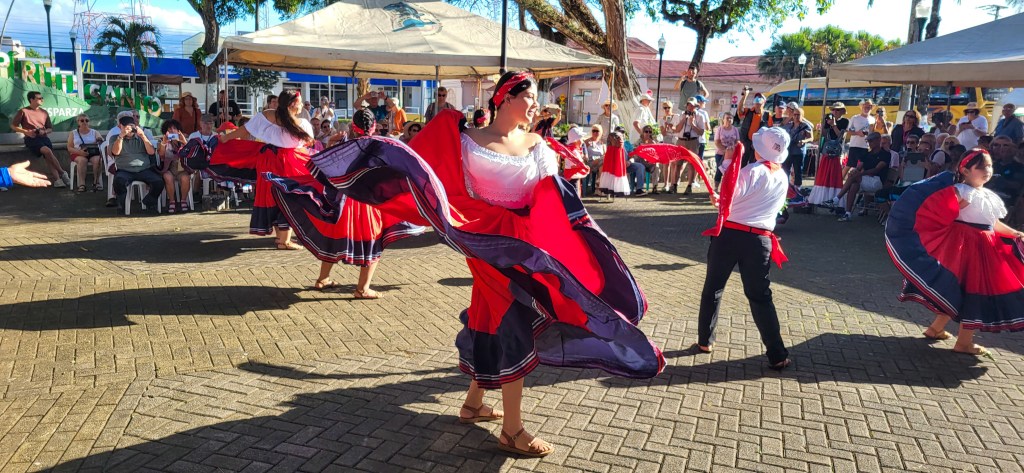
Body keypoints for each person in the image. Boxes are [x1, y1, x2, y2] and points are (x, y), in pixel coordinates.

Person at [284, 70, 664, 457]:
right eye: (529, 96)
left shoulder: (538, 144)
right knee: (514, 322)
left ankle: (472, 404)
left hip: (528, 248)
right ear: (505, 97)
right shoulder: (466, 140)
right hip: (486, 244)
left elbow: (552, 198)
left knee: (490, 317)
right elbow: (423, 168)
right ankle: (512, 430)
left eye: (536, 97)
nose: (536, 104)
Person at [267, 108, 425, 297]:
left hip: (345, 202)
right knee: (373, 241)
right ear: (373, 126)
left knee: (334, 238)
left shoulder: (346, 148)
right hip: (369, 203)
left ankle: (323, 279)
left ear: (353, 126)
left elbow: (322, 168)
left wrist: (330, 144)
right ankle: (362, 289)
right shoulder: (381, 146)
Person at [886, 149, 1024, 356]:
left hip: (984, 248)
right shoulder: (960, 192)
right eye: (981, 167)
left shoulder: (986, 195)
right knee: (973, 294)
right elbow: (938, 214)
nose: (987, 170)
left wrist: (1014, 233)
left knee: (959, 291)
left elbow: (992, 223)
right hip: (969, 251)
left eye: (989, 165)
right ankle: (964, 343)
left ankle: (935, 329)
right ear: (965, 170)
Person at [696, 126, 792, 370]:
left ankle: (705, 340)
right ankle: (777, 354)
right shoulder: (782, 176)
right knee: (760, 296)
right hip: (759, 240)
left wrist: (727, 165)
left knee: (713, 288)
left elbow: (728, 197)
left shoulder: (751, 171)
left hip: (730, 234)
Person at [208, 89, 314, 249]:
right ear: (293, 104)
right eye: (299, 103)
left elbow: (244, 130)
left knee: (272, 196)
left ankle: (280, 237)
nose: (301, 106)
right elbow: (309, 142)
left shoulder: (266, 115)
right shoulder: (302, 123)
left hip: (268, 160)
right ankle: (284, 241)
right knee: (289, 197)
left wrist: (225, 138)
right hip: (291, 162)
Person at [10, 91, 70, 188]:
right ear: (31, 99)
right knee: (47, 151)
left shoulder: (44, 112)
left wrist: (44, 131)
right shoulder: (23, 111)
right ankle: (62, 172)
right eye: (39, 98)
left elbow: (50, 128)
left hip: (44, 138)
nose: (42, 100)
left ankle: (58, 180)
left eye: (42, 98)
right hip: (31, 139)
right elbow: (13, 126)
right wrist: (26, 132)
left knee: (48, 156)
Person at [110, 115, 163, 213]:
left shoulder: (141, 137)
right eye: (126, 126)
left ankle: (149, 202)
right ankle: (121, 204)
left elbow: (151, 152)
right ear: (120, 127)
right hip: (125, 170)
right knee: (118, 182)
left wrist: (143, 136)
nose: (129, 129)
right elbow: (116, 152)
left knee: (158, 182)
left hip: (144, 169)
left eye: (131, 126)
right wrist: (121, 136)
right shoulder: (115, 138)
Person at [832, 132, 888, 221]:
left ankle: (837, 198)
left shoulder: (885, 154)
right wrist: (854, 171)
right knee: (854, 184)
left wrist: (859, 174)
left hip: (877, 181)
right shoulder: (867, 154)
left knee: (854, 177)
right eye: (868, 141)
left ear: (878, 140)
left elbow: (876, 170)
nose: (869, 143)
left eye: (871, 141)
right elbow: (859, 167)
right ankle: (848, 213)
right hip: (864, 179)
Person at [673, 97, 707, 194]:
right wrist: (683, 120)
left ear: (696, 106)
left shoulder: (700, 116)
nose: (690, 107)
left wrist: (692, 124)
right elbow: (677, 130)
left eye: (692, 105)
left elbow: (701, 132)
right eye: (689, 105)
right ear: (686, 105)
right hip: (681, 141)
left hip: (693, 141)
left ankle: (689, 186)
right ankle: (674, 185)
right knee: (678, 164)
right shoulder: (681, 115)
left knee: (692, 164)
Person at [157, 119, 191, 213]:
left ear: (178, 130)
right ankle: (172, 201)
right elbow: (161, 155)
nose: (172, 131)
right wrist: (164, 143)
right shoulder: (162, 141)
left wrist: (184, 141)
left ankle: (183, 200)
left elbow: (190, 154)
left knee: (185, 178)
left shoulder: (183, 140)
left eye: (174, 128)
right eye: (169, 129)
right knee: (167, 177)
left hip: (182, 168)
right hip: (168, 167)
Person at [67, 113, 104, 193]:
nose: (84, 122)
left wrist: (99, 139)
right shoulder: (73, 133)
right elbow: (69, 148)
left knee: (98, 160)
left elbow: (101, 140)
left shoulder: (94, 132)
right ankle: (82, 184)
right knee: (82, 160)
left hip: (92, 152)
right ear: (78, 122)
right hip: (78, 153)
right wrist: (79, 152)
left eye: (87, 120)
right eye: (82, 120)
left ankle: (96, 182)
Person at [736, 89, 770, 167]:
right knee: (742, 162)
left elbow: (771, 128)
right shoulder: (749, 111)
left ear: (764, 103)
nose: (758, 102)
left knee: (754, 163)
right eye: (756, 99)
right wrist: (745, 95)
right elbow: (739, 110)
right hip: (746, 141)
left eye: (760, 99)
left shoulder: (767, 115)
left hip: (758, 144)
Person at [782, 104, 813, 187]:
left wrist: (804, 141)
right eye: (795, 114)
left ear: (802, 115)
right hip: (789, 151)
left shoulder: (805, 126)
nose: (796, 116)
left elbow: (811, 138)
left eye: (798, 115)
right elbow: (781, 127)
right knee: (786, 170)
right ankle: (786, 187)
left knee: (798, 171)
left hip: (799, 152)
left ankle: (797, 188)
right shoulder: (789, 125)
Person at [846, 99, 876, 177]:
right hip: (854, 145)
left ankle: (857, 182)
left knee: (862, 167)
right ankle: (839, 181)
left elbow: (872, 133)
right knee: (849, 165)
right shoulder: (855, 118)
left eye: (868, 107)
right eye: (865, 107)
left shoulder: (873, 119)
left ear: (871, 108)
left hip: (866, 147)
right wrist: (857, 133)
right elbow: (848, 131)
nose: (866, 109)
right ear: (861, 107)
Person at [599, 130, 631, 197]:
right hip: (612, 154)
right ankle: (611, 190)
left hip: (617, 155)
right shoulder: (612, 145)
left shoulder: (623, 146)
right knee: (611, 171)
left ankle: (615, 189)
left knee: (616, 171)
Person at [658, 100, 682, 193]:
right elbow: (663, 133)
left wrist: (672, 127)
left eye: (668, 107)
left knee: (674, 163)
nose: (667, 109)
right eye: (665, 108)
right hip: (666, 140)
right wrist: (665, 126)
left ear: (672, 108)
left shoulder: (676, 117)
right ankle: (665, 184)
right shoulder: (661, 120)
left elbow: (678, 130)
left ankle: (672, 183)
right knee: (666, 163)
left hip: (675, 140)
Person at [713, 113, 740, 191]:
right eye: (727, 118)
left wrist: (732, 149)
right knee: (719, 170)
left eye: (731, 118)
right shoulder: (720, 129)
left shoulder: (735, 129)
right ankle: (716, 188)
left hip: (731, 154)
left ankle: (728, 188)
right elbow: (717, 142)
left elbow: (737, 141)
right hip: (720, 153)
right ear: (723, 119)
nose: (729, 120)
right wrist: (725, 150)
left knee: (730, 171)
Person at [627, 125, 656, 196]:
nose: (648, 133)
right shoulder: (639, 142)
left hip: (650, 162)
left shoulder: (653, 142)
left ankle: (655, 187)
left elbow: (656, 154)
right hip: (640, 161)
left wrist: (652, 160)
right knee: (640, 165)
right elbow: (634, 152)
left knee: (657, 167)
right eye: (646, 131)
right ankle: (639, 188)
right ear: (643, 132)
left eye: (650, 132)